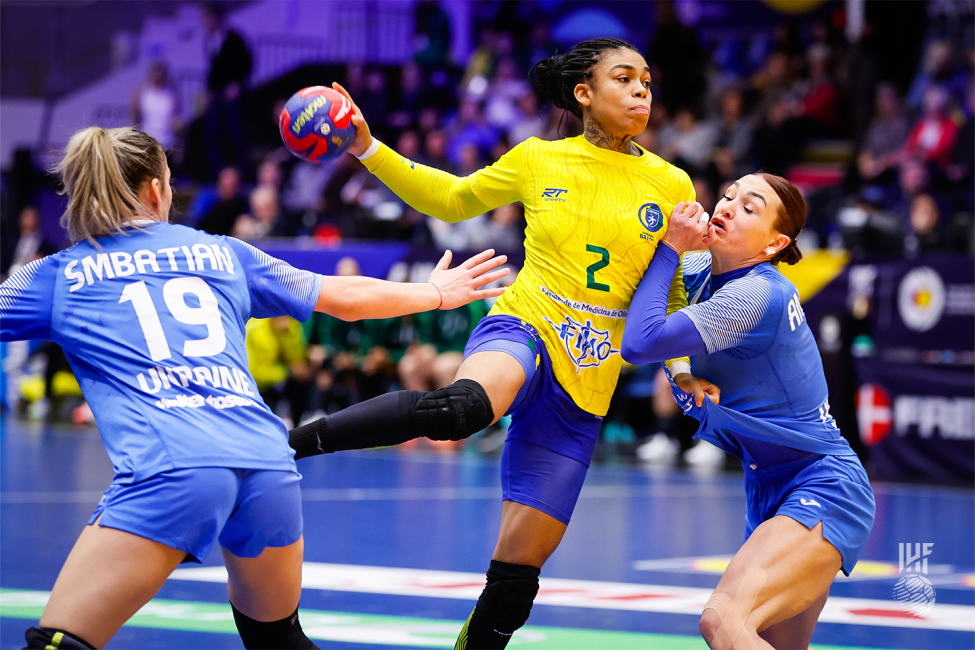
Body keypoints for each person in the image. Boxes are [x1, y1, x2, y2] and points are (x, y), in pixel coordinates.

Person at [0, 125, 508, 650]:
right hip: (267, 466)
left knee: (58, 643)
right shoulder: (222, 252)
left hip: (175, 467)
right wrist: (433, 292)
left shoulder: (56, 274)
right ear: (155, 190)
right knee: (279, 642)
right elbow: (343, 296)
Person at [288, 38, 700, 649]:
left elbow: (671, 300)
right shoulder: (539, 158)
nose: (643, 90)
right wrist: (366, 147)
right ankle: (286, 445)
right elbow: (452, 201)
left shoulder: (672, 184)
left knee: (515, 580)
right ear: (584, 94)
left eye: (647, 80)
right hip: (526, 325)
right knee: (462, 409)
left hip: (590, 377)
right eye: (625, 78)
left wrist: (684, 369)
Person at [620, 173, 876, 650]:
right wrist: (680, 375)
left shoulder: (757, 295)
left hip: (823, 484)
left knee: (723, 622)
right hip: (766, 488)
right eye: (729, 195)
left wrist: (668, 249)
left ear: (776, 242)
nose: (730, 205)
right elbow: (655, 313)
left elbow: (641, 341)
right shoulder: (700, 272)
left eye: (750, 207)